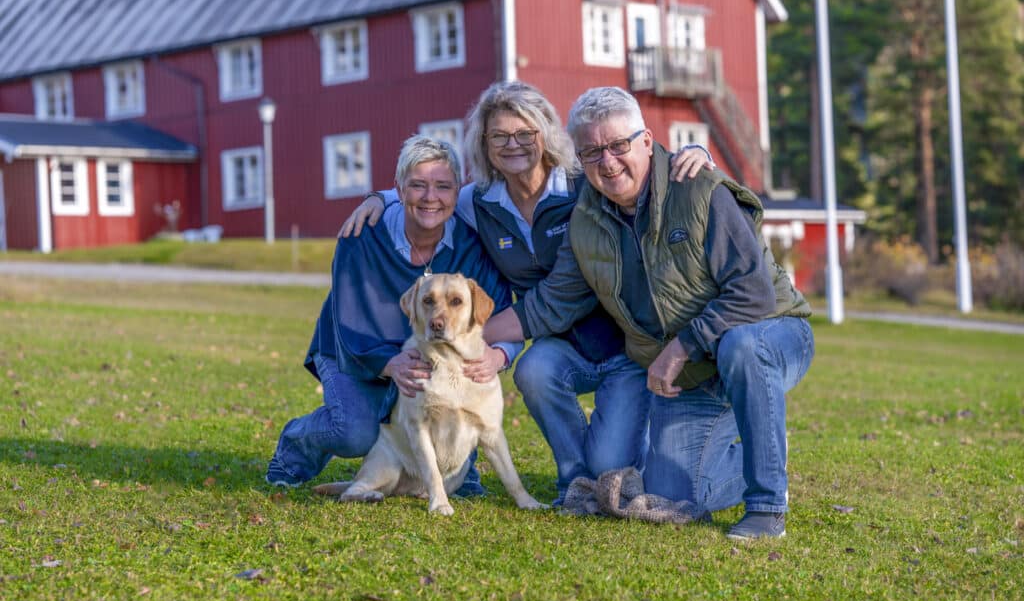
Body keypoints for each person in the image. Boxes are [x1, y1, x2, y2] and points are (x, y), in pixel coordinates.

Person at [339, 81, 714, 505]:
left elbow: (633, 170)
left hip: (624, 346)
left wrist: (697, 154)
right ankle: (575, 485)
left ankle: (620, 459)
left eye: (525, 133)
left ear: (546, 134)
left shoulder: (581, 186)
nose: (513, 144)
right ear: (485, 144)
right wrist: (382, 198)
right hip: (559, 345)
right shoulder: (479, 201)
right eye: (499, 135)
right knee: (532, 369)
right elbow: (431, 194)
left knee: (612, 460)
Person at [484, 86, 814, 539]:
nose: (608, 161)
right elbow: (552, 303)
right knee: (668, 492)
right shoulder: (586, 220)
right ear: (579, 158)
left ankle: (766, 504)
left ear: (646, 140)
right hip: (694, 375)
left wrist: (681, 346)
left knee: (741, 344)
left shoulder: (698, 188)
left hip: (770, 334)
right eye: (593, 151)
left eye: (619, 145)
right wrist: (464, 340)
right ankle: (766, 447)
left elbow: (753, 294)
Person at [266, 135, 521, 492]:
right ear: (399, 189)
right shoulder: (362, 236)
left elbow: (502, 314)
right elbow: (349, 324)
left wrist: (500, 354)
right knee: (354, 432)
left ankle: (459, 470)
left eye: (442, 187)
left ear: (457, 192)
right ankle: (295, 447)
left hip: (426, 358)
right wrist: (390, 364)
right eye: (417, 185)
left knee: (452, 379)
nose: (430, 197)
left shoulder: (470, 244)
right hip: (353, 352)